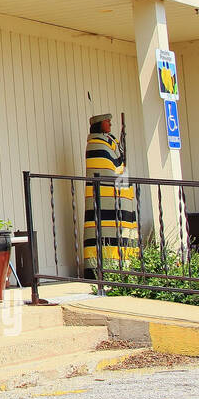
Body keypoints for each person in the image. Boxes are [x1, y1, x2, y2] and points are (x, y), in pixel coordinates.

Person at [82, 113, 138, 279]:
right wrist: (120, 170)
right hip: (103, 196)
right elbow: (104, 167)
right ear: (100, 124)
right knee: (102, 229)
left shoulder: (111, 142)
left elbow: (118, 164)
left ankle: (124, 265)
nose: (110, 125)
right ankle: (98, 267)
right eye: (108, 122)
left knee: (119, 231)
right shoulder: (95, 144)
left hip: (117, 198)